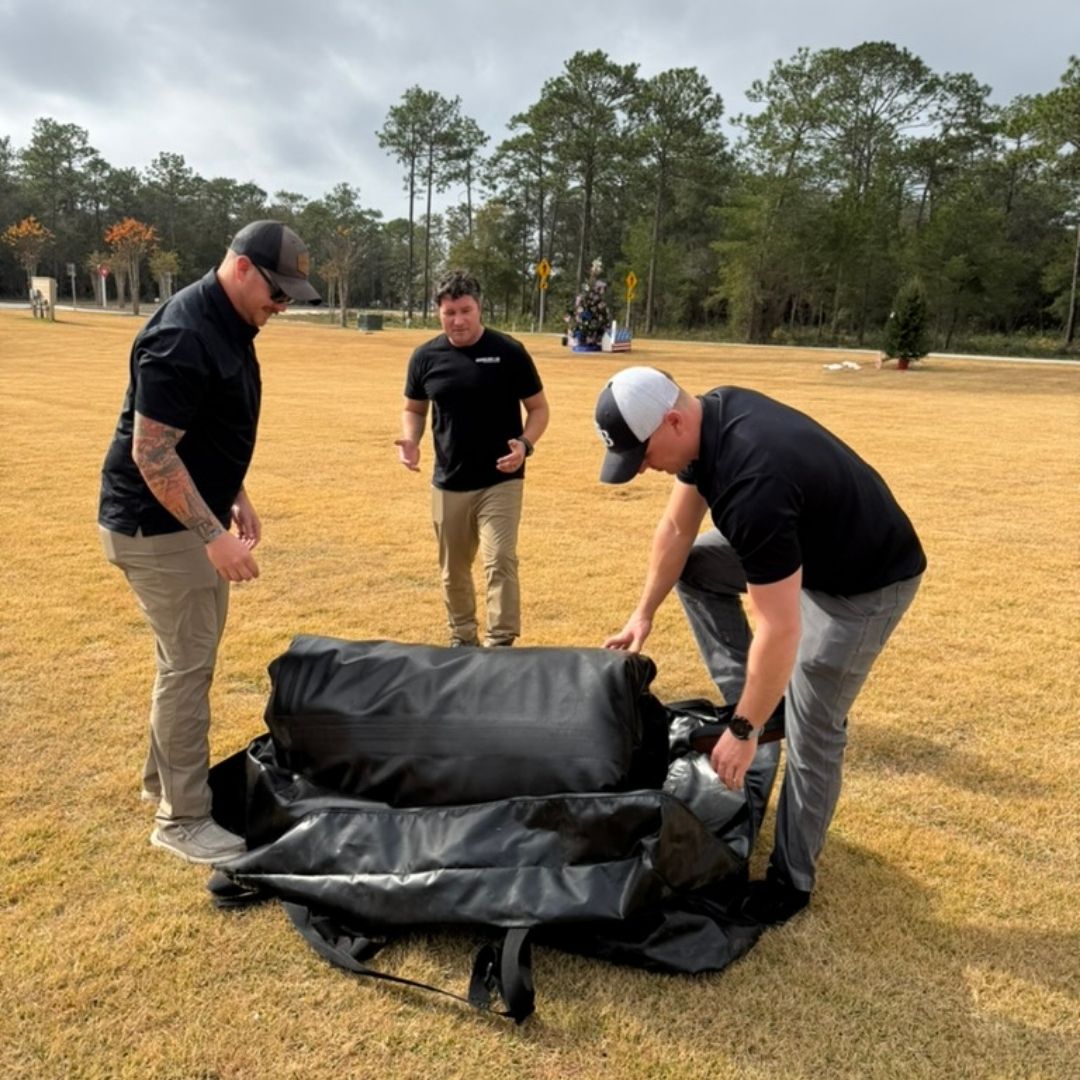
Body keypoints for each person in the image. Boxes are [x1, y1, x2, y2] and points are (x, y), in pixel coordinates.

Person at [595, 366, 926, 924]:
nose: (644, 467)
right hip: (810, 547)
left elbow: (781, 628)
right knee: (696, 565)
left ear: (673, 420)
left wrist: (743, 734)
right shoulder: (710, 418)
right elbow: (677, 531)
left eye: (644, 453)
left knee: (816, 726)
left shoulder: (754, 485)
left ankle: (790, 884)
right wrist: (641, 615)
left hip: (865, 584)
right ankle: (761, 706)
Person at [98, 220, 322, 865]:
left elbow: (206, 427)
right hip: (158, 529)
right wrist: (212, 534)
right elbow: (153, 450)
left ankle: (159, 782)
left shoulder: (228, 320)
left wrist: (234, 491)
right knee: (187, 670)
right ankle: (183, 819)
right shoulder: (184, 334)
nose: (280, 307)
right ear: (243, 267)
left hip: (181, 519)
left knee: (183, 661)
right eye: (277, 293)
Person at [397, 270, 549, 647]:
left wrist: (525, 445)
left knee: (499, 560)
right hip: (449, 480)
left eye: (466, 310)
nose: (458, 320)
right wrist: (412, 440)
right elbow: (414, 409)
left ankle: (500, 643)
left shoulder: (509, 352)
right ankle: (462, 641)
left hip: (502, 477)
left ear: (479, 308)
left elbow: (539, 409)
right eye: (450, 312)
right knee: (453, 570)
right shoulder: (425, 357)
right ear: (438, 312)